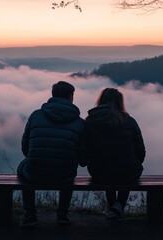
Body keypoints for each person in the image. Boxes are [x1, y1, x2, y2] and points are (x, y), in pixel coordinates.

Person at [18, 81, 86, 227]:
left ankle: (30, 215)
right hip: (64, 175)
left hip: (35, 173)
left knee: (23, 167)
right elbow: (82, 158)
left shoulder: (36, 115)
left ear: (53, 95)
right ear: (70, 96)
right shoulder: (80, 123)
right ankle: (62, 214)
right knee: (68, 166)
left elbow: (25, 149)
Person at [85, 88, 146, 220]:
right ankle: (118, 207)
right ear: (119, 102)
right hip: (128, 171)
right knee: (126, 169)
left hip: (99, 172)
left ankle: (114, 207)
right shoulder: (130, 121)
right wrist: (133, 162)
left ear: (101, 100)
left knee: (106, 168)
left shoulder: (90, 121)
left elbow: (85, 151)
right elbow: (141, 152)